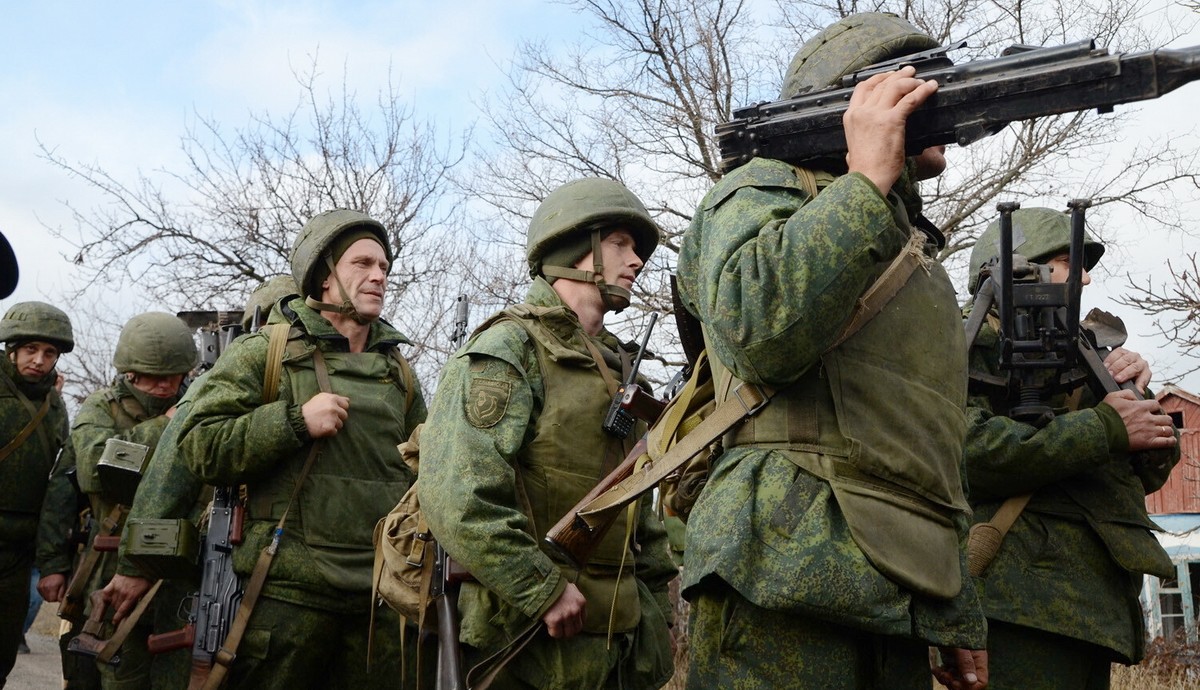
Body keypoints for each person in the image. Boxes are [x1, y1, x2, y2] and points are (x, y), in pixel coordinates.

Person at [674, 12, 988, 690]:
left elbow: (924, 442)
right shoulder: (763, 189)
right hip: (778, 568)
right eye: (917, 82)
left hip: (896, 587)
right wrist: (866, 181)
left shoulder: (909, 248)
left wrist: (951, 602)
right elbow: (755, 332)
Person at [419, 178, 677, 689]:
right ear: (575, 248)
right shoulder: (509, 349)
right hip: (524, 646)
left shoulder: (627, 374)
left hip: (616, 647)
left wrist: (655, 619)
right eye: (620, 244)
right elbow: (458, 497)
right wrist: (543, 590)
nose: (637, 261)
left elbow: (639, 517)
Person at [175, 210, 426, 689]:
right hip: (286, 601)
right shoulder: (265, 352)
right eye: (363, 264)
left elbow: (425, 478)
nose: (379, 276)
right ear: (325, 275)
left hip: (377, 605)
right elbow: (198, 445)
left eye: (385, 268)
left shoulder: (400, 375)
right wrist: (293, 422)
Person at [962, 207, 1179, 689]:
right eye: (1066, 260)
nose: (1082, 276)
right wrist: (1104, 429)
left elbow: (1151, 468)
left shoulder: (1085, 349)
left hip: (1088, 606)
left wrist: (1134, 398)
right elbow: (963, 451)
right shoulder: (965, 342)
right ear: (1015, 268)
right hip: (1014, 601)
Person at [39, 312, 198, 690]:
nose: (164, 386)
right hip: (108, 562)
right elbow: (94, 470)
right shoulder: (101, 408)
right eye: (153, 377)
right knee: (100, 667)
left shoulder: (198, 404)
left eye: (172, 377)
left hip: (177, 567)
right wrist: (52, 563)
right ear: (130, 373)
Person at [0, 301, 73, 685]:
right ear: (12, 350)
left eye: (49, 353)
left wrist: (50, 558)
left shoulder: (55, 405)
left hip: (18, 549)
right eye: (30, 350)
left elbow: (59, 482)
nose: (39, 360)